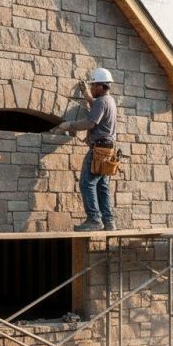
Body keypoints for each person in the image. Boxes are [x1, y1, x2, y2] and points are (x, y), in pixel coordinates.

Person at [52, 67, 118, 232]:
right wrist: (87, 96)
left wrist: (69, 125)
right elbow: (96, 107)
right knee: (102, 186)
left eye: (94, 85)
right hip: (108, 150)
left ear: (101, 86)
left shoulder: (102, 101)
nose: (92, 87)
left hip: (99, 150)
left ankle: (94, 220)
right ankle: (108, 221)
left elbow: (90, 122)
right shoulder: (109, 101)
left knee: (86, 183)